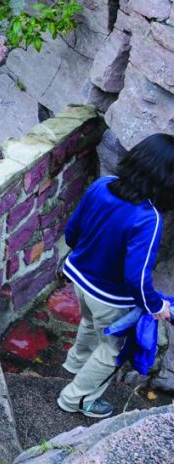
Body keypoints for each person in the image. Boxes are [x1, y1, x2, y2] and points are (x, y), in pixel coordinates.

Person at [57, 133, 174, 418]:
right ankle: (76, 399)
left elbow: (73, 230)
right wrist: (155, 306)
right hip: (110, 296)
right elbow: (136, 276)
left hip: (79, 278)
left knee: (88, 321)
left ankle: (74, 363)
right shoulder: (148, 218)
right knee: (113, 350)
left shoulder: (102, 185)